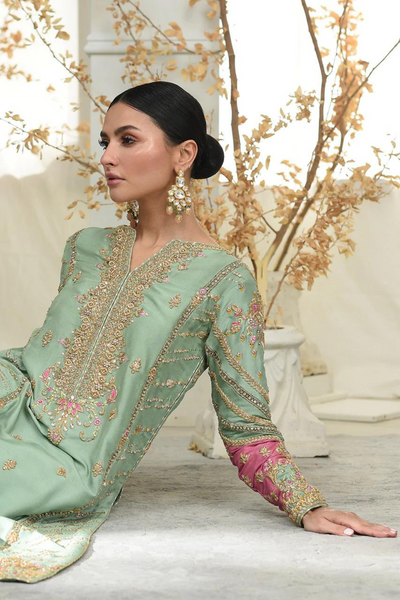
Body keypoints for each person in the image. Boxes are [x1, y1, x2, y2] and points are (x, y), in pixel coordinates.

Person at [0, 81, 396, 584]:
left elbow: (247, 426)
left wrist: (307, 505)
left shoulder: (224, 281)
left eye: (127, 139)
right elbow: (45, 357)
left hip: (67, 465)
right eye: (105, 141)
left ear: (183, 154)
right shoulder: (86, 247)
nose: (106, 157)